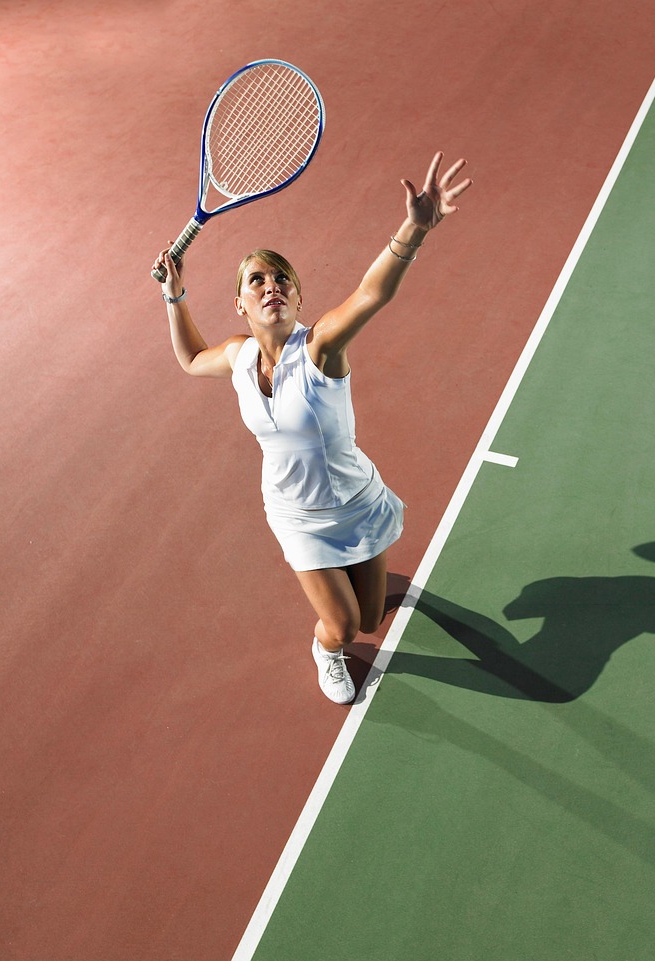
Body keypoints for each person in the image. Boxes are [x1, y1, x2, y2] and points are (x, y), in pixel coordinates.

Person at [151, 152, 472, 703]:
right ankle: (325, 649)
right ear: (239, 304)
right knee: (347, 630)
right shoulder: (237, 356)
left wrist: (413, 230)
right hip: (297, 514)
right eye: (258, 281)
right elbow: (189, 358)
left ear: (298, 297)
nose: (271, 286)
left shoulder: (321, 348)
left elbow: (373, 293)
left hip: (356, 501)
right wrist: (173, 294)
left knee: (373, 620)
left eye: (283, 280)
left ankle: (359, 591)